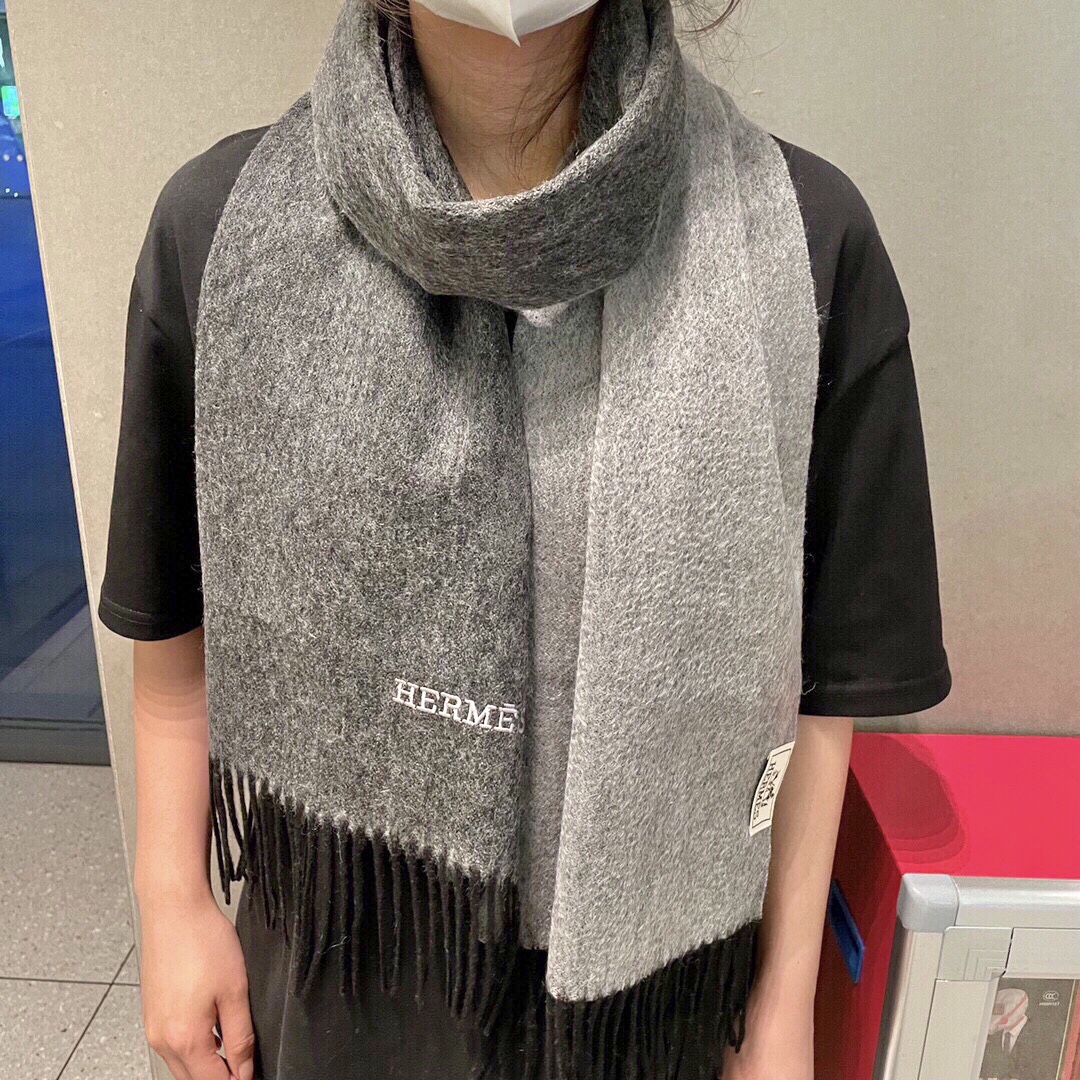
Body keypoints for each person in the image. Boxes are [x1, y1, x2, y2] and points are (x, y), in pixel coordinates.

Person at [98, 0, 952, 1076]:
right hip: (341, 965)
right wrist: (170, 897)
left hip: (659, 1002)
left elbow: (824, 684)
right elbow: (171, 618)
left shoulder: (799, 243)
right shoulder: (226, 233)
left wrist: (785, 997)